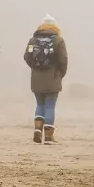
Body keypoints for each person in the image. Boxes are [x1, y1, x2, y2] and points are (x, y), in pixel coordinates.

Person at [25, 14, 69, 145]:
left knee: (40, 104)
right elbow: (63, 60)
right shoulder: (58, 40)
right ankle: (49, 137)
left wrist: (35, 68)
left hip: (36, 78)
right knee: (50, 106)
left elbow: (27, 56)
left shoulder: (33, 40)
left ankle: (37, 130)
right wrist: (60, 74)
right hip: (53, 77)